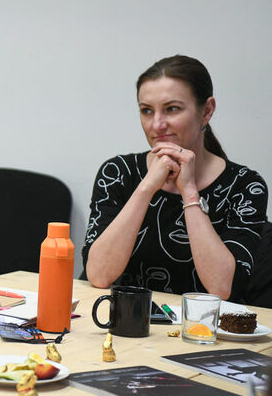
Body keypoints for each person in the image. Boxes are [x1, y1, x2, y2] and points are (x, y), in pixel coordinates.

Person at [83, 54, 268, 300]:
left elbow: (223, 288)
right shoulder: (118, 172)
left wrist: (189, 191)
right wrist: (147, 186)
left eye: (172, 109)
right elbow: (98, 275)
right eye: (147, 111)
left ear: (207, 111)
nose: (157, 124)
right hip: (128, 328)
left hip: (204, 333)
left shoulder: (245, 186)